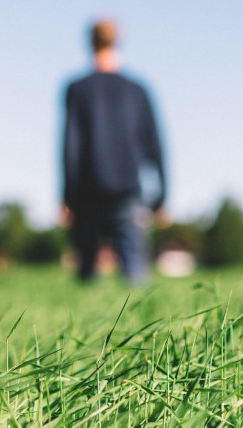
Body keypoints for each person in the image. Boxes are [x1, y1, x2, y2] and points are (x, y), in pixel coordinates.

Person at [62, 19, 168, 283]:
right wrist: (162, 196)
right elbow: (155, 143)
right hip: (128, 189)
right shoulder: (137, 90)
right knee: (135, 274)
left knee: (87, 274)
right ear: (118, 41)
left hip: (87, 189)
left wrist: (65, 196)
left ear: (89, 42)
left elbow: (70, 145)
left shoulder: (77, 89)